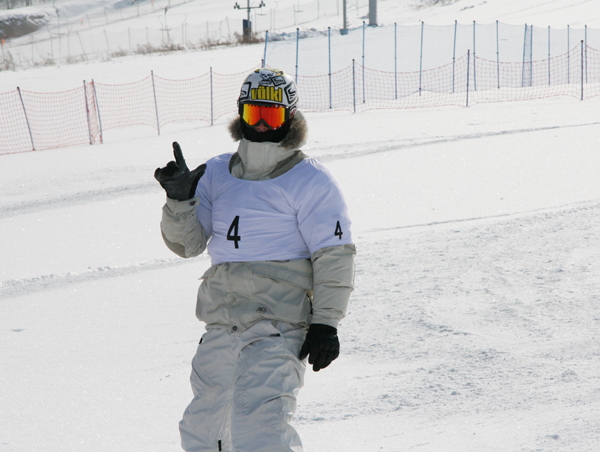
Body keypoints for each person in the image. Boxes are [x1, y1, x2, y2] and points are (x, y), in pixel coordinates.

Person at [154, 67, 356, 452]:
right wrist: (179, 201)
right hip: (221, 322)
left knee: (260, 432)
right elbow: (188, 245)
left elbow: (334, 255)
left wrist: (326, 323)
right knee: (202, 431)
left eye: (272, 116)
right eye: (254, 115)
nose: (262, 126)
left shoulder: (310, 180)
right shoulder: (214, 172)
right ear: (240, 115)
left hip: (278, 325)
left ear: (291, 117)